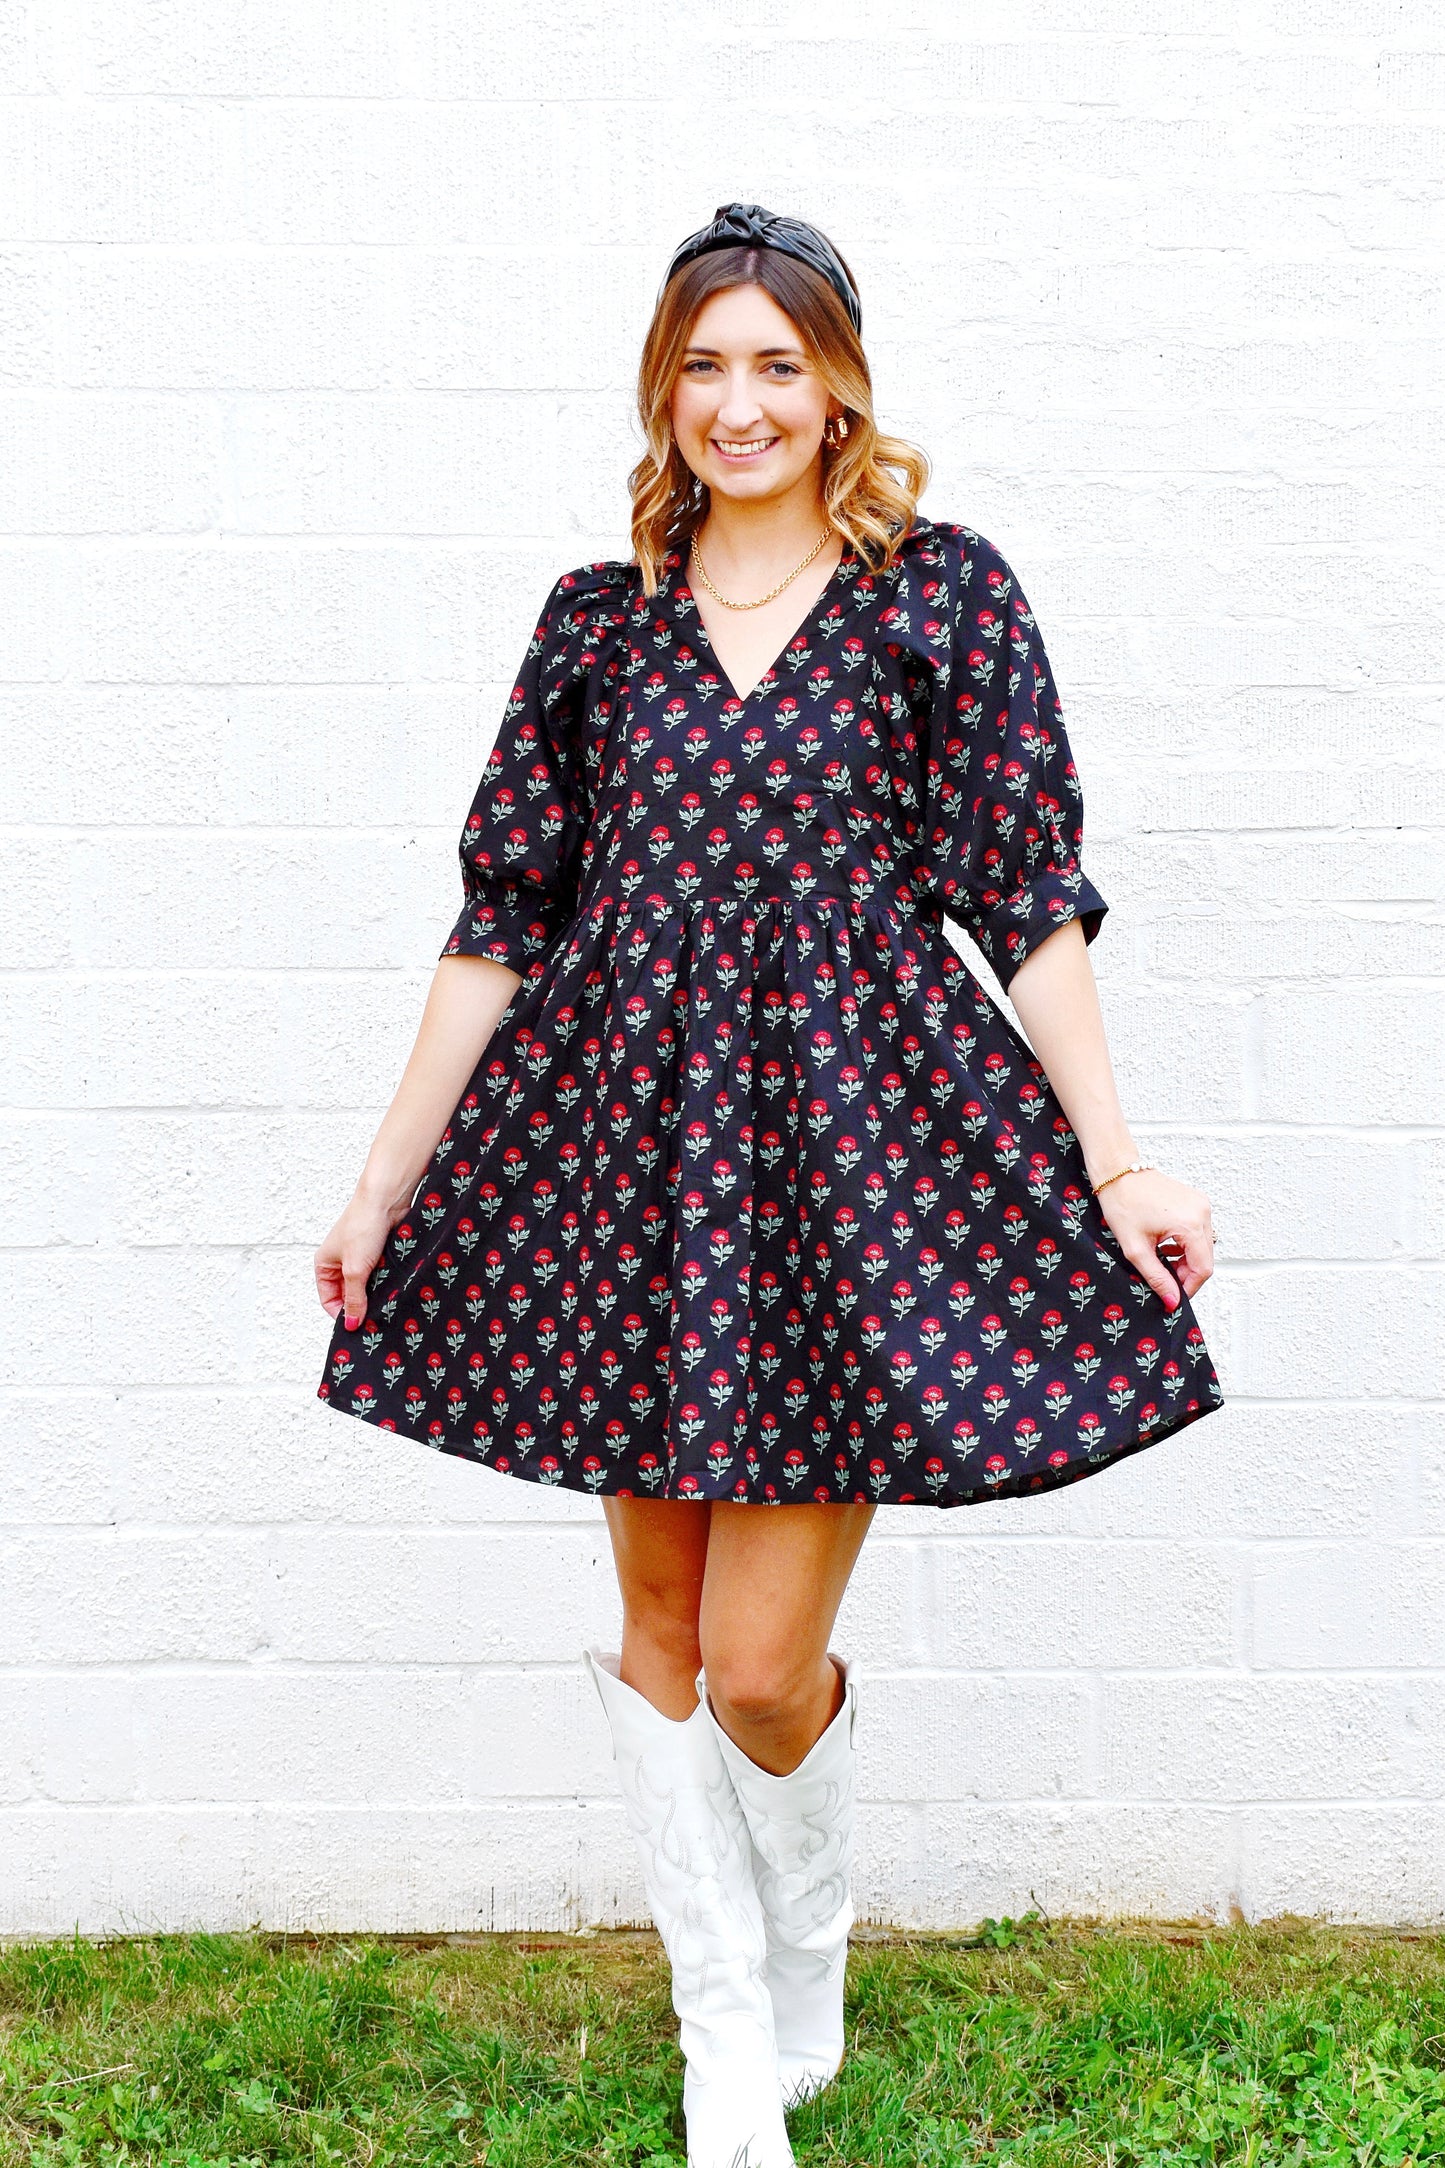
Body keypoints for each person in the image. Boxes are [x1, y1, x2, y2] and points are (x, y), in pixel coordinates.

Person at [314, 202, 1223, 2168]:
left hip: (856, 1168)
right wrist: (383, 1186)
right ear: (669, 391)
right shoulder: (597, 622)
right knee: (653, 1609)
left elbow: (1029, 908)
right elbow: (499, 927)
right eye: (705, 365)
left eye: (777, 364)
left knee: (756, 1660)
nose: (740, 402)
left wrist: (1118, 1152)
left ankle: (802, 1940)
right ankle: (726, 2039)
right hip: (623, 1160)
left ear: (837, 390)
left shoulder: (941, 601)